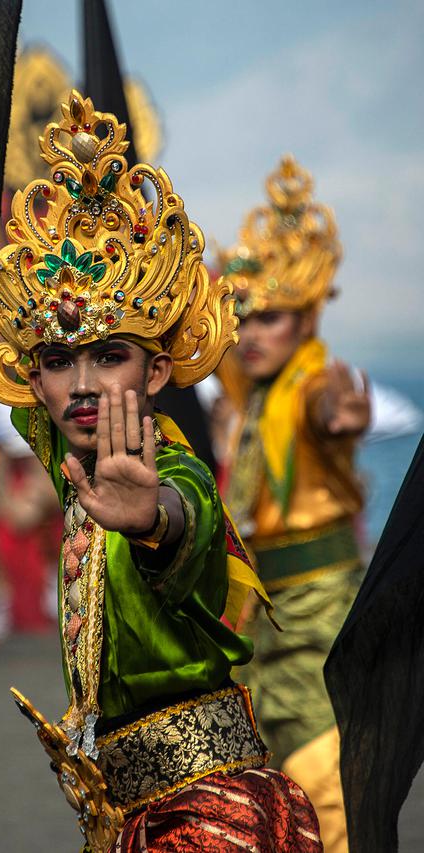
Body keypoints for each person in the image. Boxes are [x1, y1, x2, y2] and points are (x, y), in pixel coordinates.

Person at [0, 56, 323, 851]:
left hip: (211, 819)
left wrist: (151, 523)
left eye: (111, 356)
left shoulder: (174, 472)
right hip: (127, 820)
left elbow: (182, 521)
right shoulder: (72, 459)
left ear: (158, 369)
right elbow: (1, 306)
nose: (83, 382)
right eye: (59, 362)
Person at [215, 155, 371, 853]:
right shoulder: (252, 398)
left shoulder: (310, 385)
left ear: (306, 320)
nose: (251, 332)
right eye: (244, 315)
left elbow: (330, 409)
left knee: (319, 774)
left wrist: (342, 416)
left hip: (316, 609)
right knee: (266, 785)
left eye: (270, 317)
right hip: (257, 614)